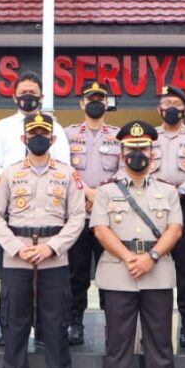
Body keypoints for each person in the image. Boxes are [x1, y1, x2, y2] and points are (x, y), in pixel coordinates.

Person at [0, 112, 85, 368]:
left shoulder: (69, 175)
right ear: (23, 138)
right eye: (33, 133)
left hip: (54, 257)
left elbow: (77, 218)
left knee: (56, 328)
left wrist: (51, 247)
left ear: (53, 139)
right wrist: (16, 247)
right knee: (14, 327)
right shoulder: (9, 174)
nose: (38, 138)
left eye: (44, 133)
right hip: (17, 258)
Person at [91, 120, 181, 368]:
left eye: (142, 149)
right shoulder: (106, 191)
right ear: (121, 152)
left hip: (157, 270)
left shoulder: (167, 191)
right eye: (131, 149)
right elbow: (101, 229)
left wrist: (152, 256)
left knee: (159, 344)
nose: (137, 154)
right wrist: (131, 257)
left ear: (152, 152)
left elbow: (175, 228)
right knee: (118, 344)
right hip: (120, 271)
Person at [149, 85, 185, 347]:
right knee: (154, 264)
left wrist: (183, 189)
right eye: (166, 102)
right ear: (159, 109)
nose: (171, 107)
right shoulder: (148, 137)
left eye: (176, 102)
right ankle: (154, 323)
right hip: (152, 208)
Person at [67, 81, 121, 345]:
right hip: (78, 215)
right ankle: (74, 322)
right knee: (76, 273)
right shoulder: (68, 134)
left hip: (108, 217)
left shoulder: (119, 135)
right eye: (90, 98)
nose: (95, 102)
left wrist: (99, 195)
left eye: (100, 98)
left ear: (107, 103)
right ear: (82, 103)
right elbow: (64, 169)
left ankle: (112, 320)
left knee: (109, 270)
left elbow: (123, 172)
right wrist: (86, 192)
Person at [0, 70, 70, 168]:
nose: (27, 96)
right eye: (23, 92)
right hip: (8, 181)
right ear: (15, 97)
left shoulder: (56, 128)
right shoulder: (1, 127)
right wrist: (5, 182)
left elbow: (64, 164)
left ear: (41, 97)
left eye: (32, 92)